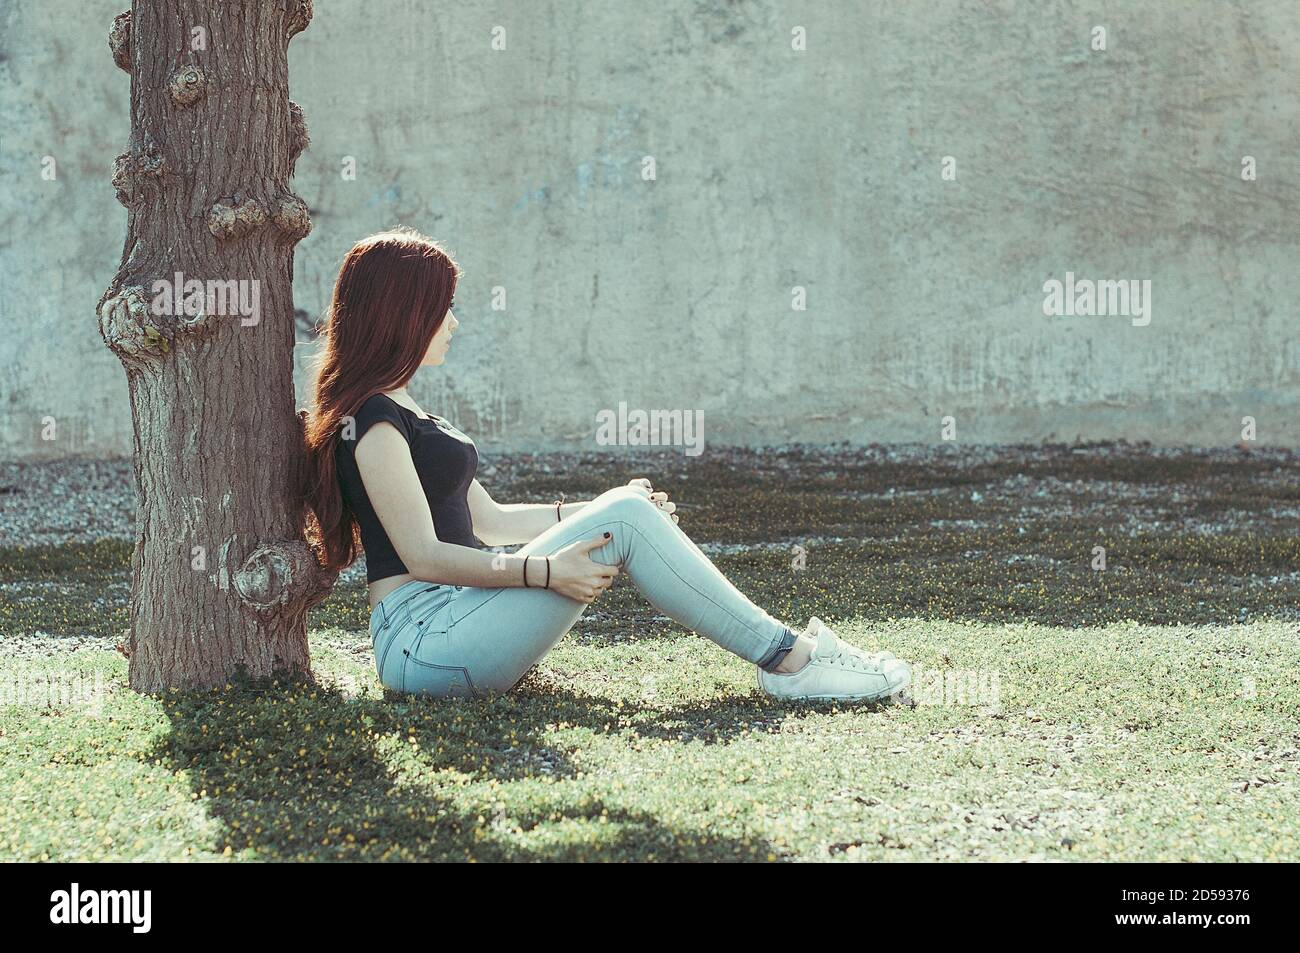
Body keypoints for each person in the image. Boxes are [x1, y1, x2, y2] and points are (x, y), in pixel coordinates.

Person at [303, 227, 911, 703]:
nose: (455, 322)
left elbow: (486, 519)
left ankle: (792, 657)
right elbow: (425, 557)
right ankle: (793, 663)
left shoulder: (403, 408)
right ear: (402, 315)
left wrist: (598, 512)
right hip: (424, 641)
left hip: (455, 624)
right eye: (443, 308)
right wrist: (545, 571)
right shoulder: (375, 422)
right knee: (621, 516)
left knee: (622, 512)